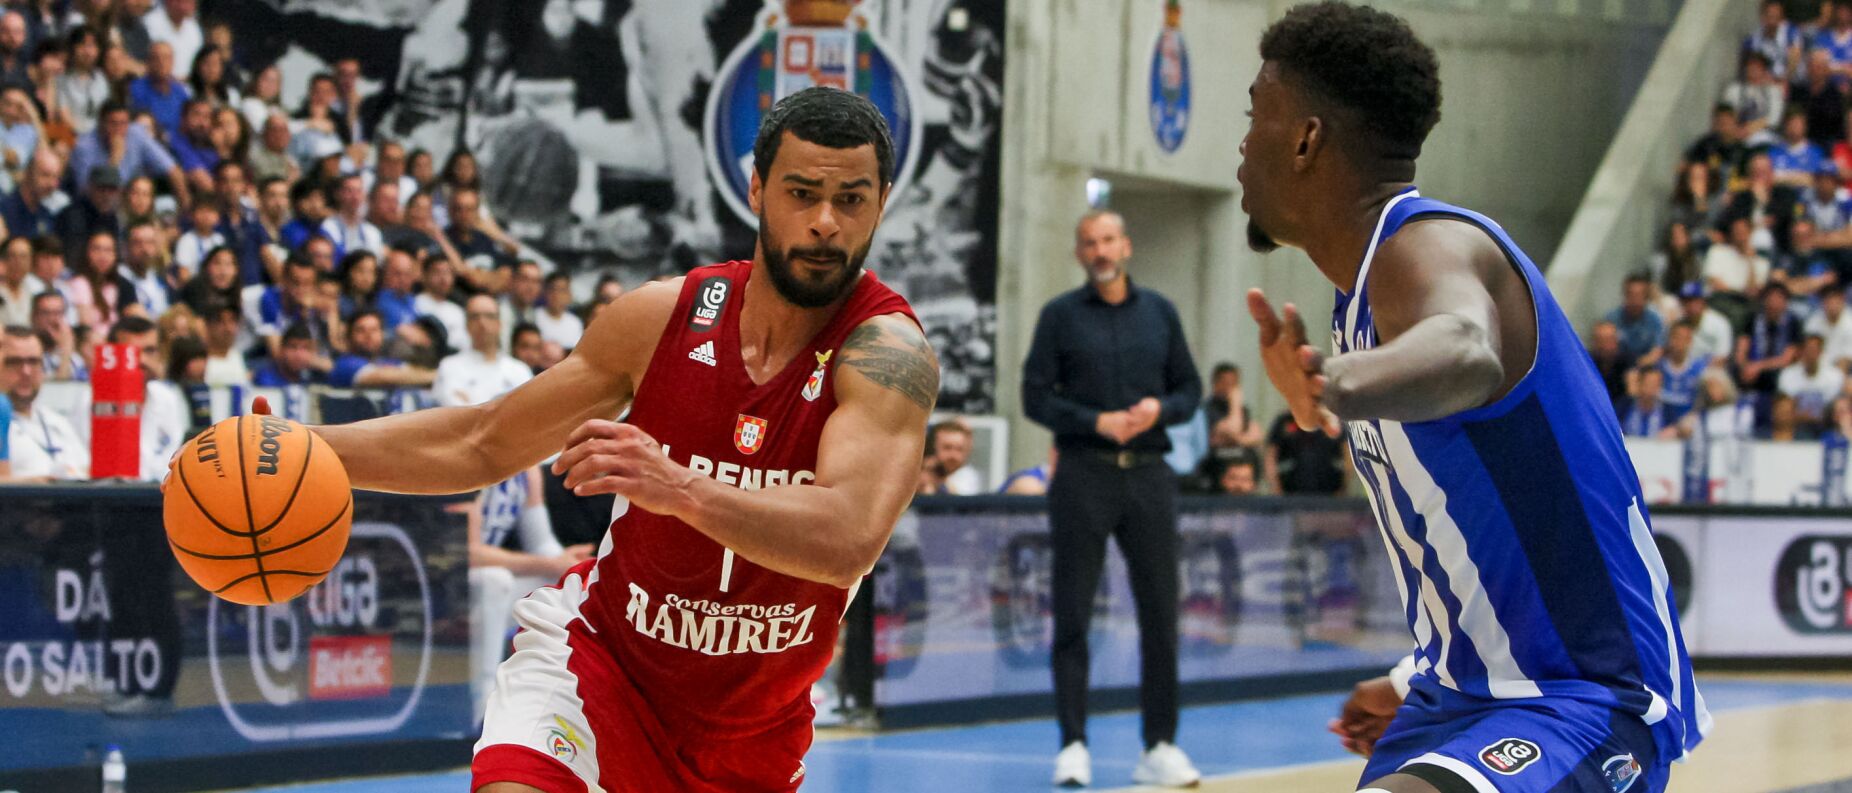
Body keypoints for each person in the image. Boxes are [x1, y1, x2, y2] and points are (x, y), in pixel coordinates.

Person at [256, 87, 937, 792]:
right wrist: (306, 446)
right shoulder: (662, 317)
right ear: (757, 188)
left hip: (749, 738)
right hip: (596, 669)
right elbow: (483, 441)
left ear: (881, 202)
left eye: (851, 199)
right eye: (801, 192)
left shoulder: (887, 354)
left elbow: (849, 536)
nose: (825, 221)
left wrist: (678, 486)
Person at [1237, 5, 1704, 792]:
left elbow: (1467, 346)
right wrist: (1409, 667)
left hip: (1584, 699)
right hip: (1454, 698)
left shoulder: (1430, 244)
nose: (1243, 143)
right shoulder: (1363, 297)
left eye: (1255, 115)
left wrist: (1335, 384)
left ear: (1307, 139)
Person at [1022, 208, 1203, 788]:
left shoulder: (1161, 313)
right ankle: (1072, 743)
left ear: (1125, 246)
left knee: (1161, 615)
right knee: (1072, 611)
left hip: (1150, 474)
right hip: (1083, 472)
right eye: (1089, 243)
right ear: (1079, 253)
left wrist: (1160, 410)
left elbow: (1191, 389)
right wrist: (1095, 421)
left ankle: (1160, 745)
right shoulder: (1059, 317)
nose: (1100, 252)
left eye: (1108, 241)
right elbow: (1034, 398)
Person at [4, 324, 84, 478]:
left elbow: (87, 470)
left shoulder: (57, 421)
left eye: (33, 362)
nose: (26, 372)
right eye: (14, 362)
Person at [327, 309, 435, 390]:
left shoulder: (385, 362)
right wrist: (438, 376)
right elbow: (385, 377)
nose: (369, 335)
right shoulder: (345, 364)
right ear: (349, 337)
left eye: (374, 330)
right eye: (360, 330)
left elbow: (413, 371)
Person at [1263, 409, 1347, 494]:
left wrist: (1343, 488)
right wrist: (1276, 490)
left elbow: (1348, 456)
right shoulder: (1284, 421)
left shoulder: (1333, 422)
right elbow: (1270, 457)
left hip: (1329, 491)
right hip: (1290, 492)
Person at [1778, 333, 1844, 432]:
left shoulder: (1835, 376)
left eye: (1814, 350)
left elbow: (1834, 408)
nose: (1810, 354)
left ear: (1821, 352)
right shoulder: (1787, 375)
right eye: (1807, 350)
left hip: (1826, 425)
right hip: (1795, 426)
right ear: (1801, 351)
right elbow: (1783, 408)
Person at [1606, 273, 1664, 361]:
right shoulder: (1612, 318)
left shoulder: (1655, 320)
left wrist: (1639, 366)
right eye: (1631, 295)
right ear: (1624, 295)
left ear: (1646, 297)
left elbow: (1657, 350)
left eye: (1639, 295)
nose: (1635, 300)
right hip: (1616, 366)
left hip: (1644, 367)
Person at [917, 418, 981, 495]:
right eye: (947, 447)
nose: (953, 455)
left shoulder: (969, 476)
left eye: (959, 449)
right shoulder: (916, 475)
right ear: (933, 447)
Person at [535, 271, 584, 350]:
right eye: (553, 289)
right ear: (545, 292)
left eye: (562, 290)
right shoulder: (534, 317)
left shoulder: (575, 323)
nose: (556, 295)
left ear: (569, 295)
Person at [1620, 367, 1673, 438]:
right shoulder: (1624, 406)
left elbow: (1675, 428)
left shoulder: (1667, 411)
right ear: (1639, 384)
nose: (1652, 389)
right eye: (1648, 384)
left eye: (1656, 385)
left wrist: (1673, 431)